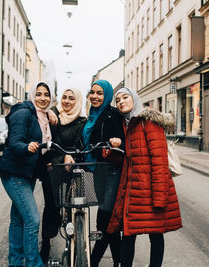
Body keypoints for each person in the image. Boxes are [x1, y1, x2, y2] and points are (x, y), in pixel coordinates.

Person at [108, 87, 182, 267]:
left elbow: (159, 161)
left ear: (134, 99)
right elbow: (128, 158)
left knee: (155, 234)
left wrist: (159, 198)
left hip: (149, 190)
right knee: (128, 232)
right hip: (133, 190)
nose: (121, 102)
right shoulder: (127, 123)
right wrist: (110, 151)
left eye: (125, 97)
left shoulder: (147, 122)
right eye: (118, 100)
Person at [0, 81, 54, 267]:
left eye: (46, 94)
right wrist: (27, 147)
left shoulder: (42, 117)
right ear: (32, 95)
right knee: (32, 219)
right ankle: (33, 263)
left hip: (26, 174)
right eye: (38, 94)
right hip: (15, 174)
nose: (43, 98)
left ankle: (15, 263)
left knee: (18, 220)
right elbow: (15, 142)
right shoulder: (23, 113)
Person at [39, 88, 86, 264]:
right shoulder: (53, 117)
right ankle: (45, 246)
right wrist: (61, 156)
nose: (67, 101)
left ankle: (77, 240)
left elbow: (81, 146)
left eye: (71, 98)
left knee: (74, 205)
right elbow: (49, 143)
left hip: (72, 171)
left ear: (77, 101)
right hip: (52, 169)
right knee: (50, 207)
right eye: (64, 97)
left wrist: (72, 156)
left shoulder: (82, 121)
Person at [83, 80, 124, 267]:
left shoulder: (113, 114)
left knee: (104, 219)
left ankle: (93, 261)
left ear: (106, 95)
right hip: (94, 171)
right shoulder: (90, 115)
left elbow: (122, 140)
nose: (95, 96)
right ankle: (119, 261)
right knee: (111, 223)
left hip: (111, 171)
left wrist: (116, 142)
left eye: (100, 93)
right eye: (92, 92)